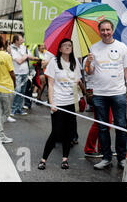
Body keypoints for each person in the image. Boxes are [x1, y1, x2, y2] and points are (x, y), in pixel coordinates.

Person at [85, 19, 127, 170]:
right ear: (99, 31)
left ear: (112, 31)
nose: (106, 32)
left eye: (108, 30)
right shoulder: (94, 48)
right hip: (99, 94)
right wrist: (88, 62)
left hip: (118, 93)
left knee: (120, 126)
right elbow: (89, 72)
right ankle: (106, 158)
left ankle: (122, 158)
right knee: (103, 128)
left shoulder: (122, 47)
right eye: (103, 30)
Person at [37, 39, 83, 170]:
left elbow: (78, 81)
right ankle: (43, 159)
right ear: (60, 49)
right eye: (65, 46)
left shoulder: (75, 63)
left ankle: (65, 159)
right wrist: (52, 103)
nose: (68, 47)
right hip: (58, 102)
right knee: (56, 132)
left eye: (70, 45)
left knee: (68, 133)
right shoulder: (54, 63)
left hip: (72, 102)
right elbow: (50, 84)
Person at [10, 34, 38, 116]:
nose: (23, 39)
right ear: (16, 40)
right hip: (17, 73)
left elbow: (31, 56)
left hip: (25, 73)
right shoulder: (11, 49)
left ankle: (19, 108)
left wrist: (33, 58)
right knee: (17, 91)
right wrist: (25, 56)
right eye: (21, 39)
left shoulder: (24, 47)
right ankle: (13, 108)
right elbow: (19, 61)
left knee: (22, 91)